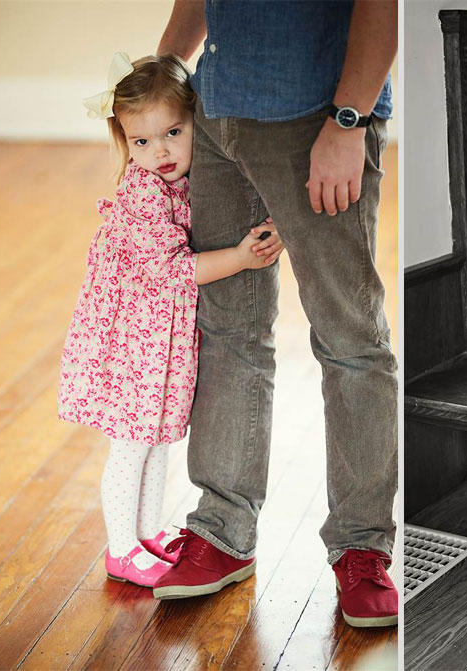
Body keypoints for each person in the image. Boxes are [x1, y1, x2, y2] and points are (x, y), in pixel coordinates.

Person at [152, 1, 399, 628]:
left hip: (314, 117)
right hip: (213, 113)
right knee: (228, 327)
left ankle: (362, 546)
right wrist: (159, 77)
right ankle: (222, 527)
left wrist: (350, 121)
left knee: (349, 336)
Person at [58, 53, 283, 589]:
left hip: (159, 340)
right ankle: (119, 549)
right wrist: (241, 257)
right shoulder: (142, 196)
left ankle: (147, 531)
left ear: (195, 125)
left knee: (158, 440)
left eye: (172, 133)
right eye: (141, 142)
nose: (158, 152)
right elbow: (173, 271)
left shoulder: (182, 182)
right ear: (125, 143)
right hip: (133, 346)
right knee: (132, 446)